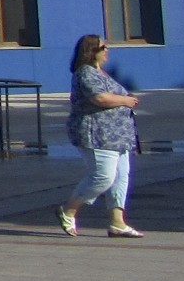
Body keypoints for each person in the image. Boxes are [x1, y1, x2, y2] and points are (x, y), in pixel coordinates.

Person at [57, 35, 142, 237]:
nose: (107, 50)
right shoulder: (85, 73)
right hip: (98, 134)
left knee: (121, 176)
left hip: (118, 136)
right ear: (91, 51)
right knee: (103, 177)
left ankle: (117, 222)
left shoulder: (100, 72)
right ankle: (68, 210)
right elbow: (100, 98)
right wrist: (125, 100)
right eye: (103, 47)